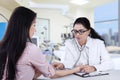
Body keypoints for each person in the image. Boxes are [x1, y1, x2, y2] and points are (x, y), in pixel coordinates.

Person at [0, 6, 81, 80]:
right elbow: (52, 74)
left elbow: (20, 72)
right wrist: (75, 70)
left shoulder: (2, 46)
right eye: (34, 25)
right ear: (25, 26)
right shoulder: (30, 49)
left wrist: (42, 69)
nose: (35, 30)